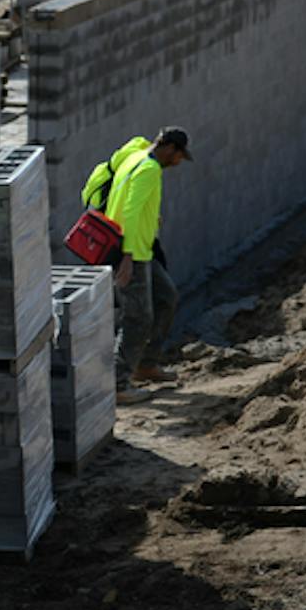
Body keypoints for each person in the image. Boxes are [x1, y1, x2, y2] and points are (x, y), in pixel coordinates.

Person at [108, 127, 191, 404]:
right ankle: (118, 382)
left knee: (167, 297)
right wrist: (128, 257)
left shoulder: (135, 155)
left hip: (142, 248)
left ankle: (146, 364)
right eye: (179, 156)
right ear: (169, 149)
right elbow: (130, 211)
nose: (178, 162)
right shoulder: (149, 169)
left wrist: (151, 218)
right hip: (132, 252)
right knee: (138, 317)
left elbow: (132, 201)